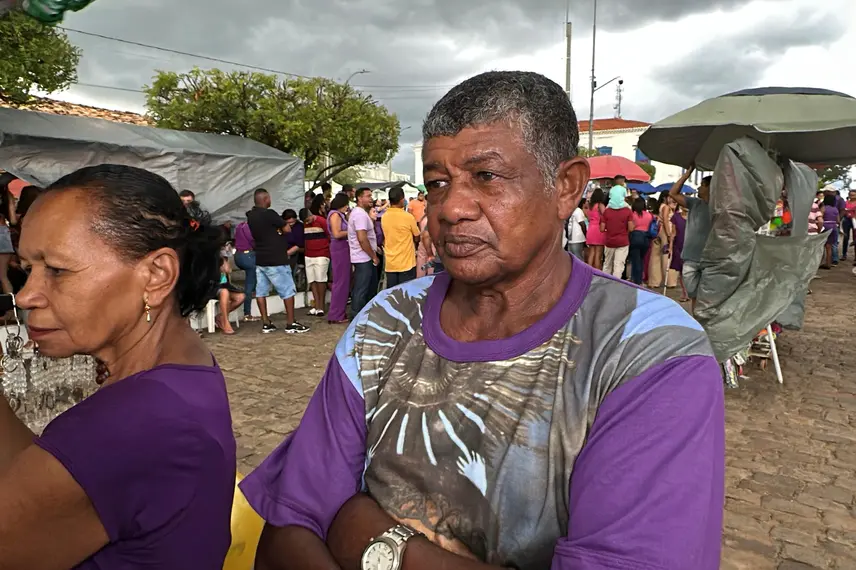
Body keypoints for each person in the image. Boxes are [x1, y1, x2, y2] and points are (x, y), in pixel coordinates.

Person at [241, 70, 724, 570]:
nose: (450, 209)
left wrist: (371, 538)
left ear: (566, 188)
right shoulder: (384, 322)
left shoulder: (649, 352)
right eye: (437, 183)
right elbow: (285, 534)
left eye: (486, 177)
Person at [0, 164, 235, 568]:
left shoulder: (131, 424)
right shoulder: (183, 369)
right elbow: (46, 478)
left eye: (56, 270)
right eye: (27, 270)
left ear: (156, 275)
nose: (25, 296)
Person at [247, 189, 309, 334]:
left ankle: (266, 323)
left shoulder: (251, 216)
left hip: (261, 258)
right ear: (265, 199)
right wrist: (279, 231)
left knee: (261, 292)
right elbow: (287, 229)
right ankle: (291, 323)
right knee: (288, 290)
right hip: (276, 258)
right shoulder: (270, 213)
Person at [669, 167, 712, 314]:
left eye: (702, 185)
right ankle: (696, 320)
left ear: (710, 188)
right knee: (693, 295)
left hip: (710, 259)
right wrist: (686, 174)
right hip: (691, 258)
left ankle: (703, 321)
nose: (699, 188)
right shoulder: (694, 203)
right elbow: (673, 193)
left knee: (707, 298)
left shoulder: (719, 206)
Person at [347, 187, 379, 316]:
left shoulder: (361, 213)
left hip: (363, 256)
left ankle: (362, 315)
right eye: (368, 196)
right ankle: (356, 316)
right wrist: (373, 256)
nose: (371, 198)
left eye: (371, 196)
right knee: (362, 289)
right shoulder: (360, 215)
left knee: (365, 288)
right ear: (359, 198)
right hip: (363, 257)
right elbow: (362, 238)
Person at [381, 186, 421, 287]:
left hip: (390, 263)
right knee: (406, 292)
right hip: (406, 263)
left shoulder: (384, 217)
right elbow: (417, 236)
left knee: (392, 293)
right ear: (402, 199)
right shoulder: (408, 217)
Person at [303, 195, 332, 316]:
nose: (307, 223)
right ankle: (316, 305)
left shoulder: (321, 221)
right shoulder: (304, 223)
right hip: (308, 254)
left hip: (322, 254)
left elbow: (330, 235)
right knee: (312, 280)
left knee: (321, 280)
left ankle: (321, 306)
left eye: (308, 220)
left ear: (311, 215)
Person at [326, 193, 351, 324]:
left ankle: (339, 312)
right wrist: (352, 231)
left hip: (343, 248)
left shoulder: (340, 215)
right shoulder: (335, 215)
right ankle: (336, 314)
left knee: (344, 281)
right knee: (341, 282)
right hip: (340, 248)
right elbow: (336, 233)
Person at [600, 186, 634, 278]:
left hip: (609, 242)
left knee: (607, 264)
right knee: (618, 266)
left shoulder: (607, 211)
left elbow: (602, 228)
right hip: (623, 242)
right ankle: (616, 283)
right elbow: (631, 228)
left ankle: (605, 282)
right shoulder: (628, 211)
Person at [233, 219, 260, 322]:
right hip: (248, 255)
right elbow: (252, 240)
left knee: (251, 280)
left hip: (238, 255)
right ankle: (247, 314)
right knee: (249, 286)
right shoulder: (249, 227)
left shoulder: (240, 226)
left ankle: (254, 291)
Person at [216, 256, 245, 334]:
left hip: (223, 287)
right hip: (210, 288)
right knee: (224, 292)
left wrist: (223, 261)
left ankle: (220, 316)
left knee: (241, 297)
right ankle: (226, 323)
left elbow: (228, 270)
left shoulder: (222, 258)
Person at [628, 197, 653, 285]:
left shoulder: (633, 215)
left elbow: (631, 228)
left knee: (635, 260)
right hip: (646, 238)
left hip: (635, 237)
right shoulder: (649, 215)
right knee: (641, 259)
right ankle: (640, 279)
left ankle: (636, 280)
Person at [584, 188, 606, 270]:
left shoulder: (590, 206)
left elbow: (588, 218)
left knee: (591, 252)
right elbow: (605, 216)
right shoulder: (600, 205)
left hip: (590, 229)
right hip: (598, 229)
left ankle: (589, 271)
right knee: (598, 254)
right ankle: (597, 272)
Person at [671, 206, 689, 302]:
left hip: (691, 246)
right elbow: (673, 233)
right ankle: (685, 292)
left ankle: (689, 292)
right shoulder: (676, 216)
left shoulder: (694, 217)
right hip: (679, 246)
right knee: (681, 270)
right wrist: (670, 247)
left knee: (689, 270)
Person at [820, 194, 840, 270]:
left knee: (821, 245)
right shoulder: (835, 209)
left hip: (825, 226)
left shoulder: (823, 208)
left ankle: (820, 262)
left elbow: (820, 217)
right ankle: (828, 263)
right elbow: (838, 220)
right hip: (833, 227)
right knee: (829, 247)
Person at [842, 190, 856, 262]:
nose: (852, 196)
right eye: (851, 195)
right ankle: (844, 254)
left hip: (854, 220)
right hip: (846, 219)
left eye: (853, 195)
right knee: (845, 237)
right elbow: (843, 211)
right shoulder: (846, 202)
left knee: (855, 238)